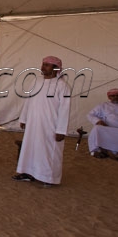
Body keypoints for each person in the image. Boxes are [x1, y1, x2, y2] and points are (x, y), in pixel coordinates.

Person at [13, 56, 71, 187]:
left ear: (56, 68)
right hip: (33, 123)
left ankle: (48, 178)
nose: (43, 67)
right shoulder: (36, 82)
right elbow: (28, 101)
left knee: (49, 150)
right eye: (43, 64)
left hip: (50, 125)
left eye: (47, 65)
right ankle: (28, 173)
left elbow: (65, 110)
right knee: (31, 148)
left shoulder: (63, 86)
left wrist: (61, 130)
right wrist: (24, 118)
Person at [86, 88, 118, 163]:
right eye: (113, 96)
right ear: (109, 97)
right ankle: (97, 151)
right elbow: (90, 115)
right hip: (107, 129)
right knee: (97, 128)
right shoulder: (103, 105)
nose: (116, 97)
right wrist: (98, 121)